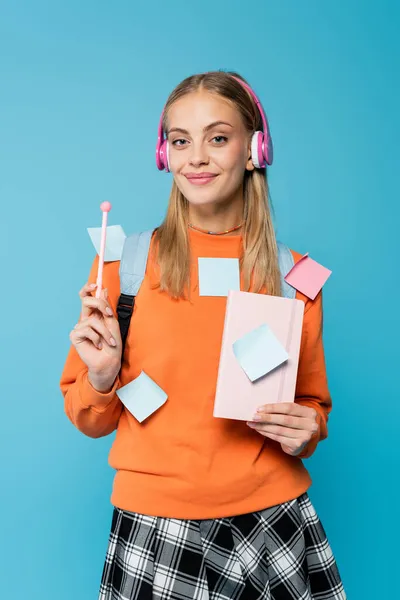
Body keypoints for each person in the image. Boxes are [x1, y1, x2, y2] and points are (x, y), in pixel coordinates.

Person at [60, 70, 346, 600]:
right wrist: (101, 377)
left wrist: (308, 429)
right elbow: (86, 417)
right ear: (163, 156)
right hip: (154, 524)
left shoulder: (296, 275)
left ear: (256, 147)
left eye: (217, 138)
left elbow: (312, 406)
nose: (196, 157)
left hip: (272, 522)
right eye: (179, 141)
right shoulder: (122, 263)